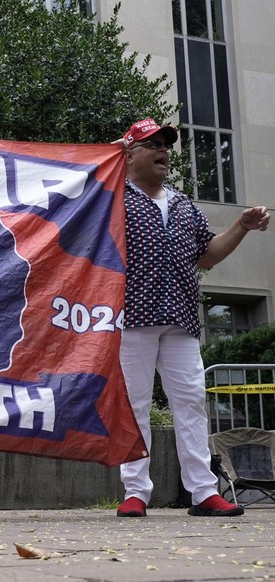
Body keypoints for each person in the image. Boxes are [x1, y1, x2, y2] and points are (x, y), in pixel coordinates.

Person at [115, 118, 270, 518]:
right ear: (130, 153)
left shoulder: (184, 205)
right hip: (130, 317)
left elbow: (208, 255)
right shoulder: (111, 198)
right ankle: (135, 493)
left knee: (191, 403)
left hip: (181, 320)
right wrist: (106, 155)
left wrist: (242, 226)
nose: (164, 150)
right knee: (134, 405)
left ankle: (203, 492)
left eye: (166, 143)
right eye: (152, 144)